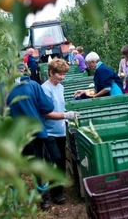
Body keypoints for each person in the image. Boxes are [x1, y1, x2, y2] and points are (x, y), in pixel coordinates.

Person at [6, 62, 79, 210]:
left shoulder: (2, 90)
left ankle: (16, 201)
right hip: (35, 133)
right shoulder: (34, 86)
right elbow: (47, 108)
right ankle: (44, 199)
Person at [41, 58, 69, 204]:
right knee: (55, 160)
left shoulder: (61, 87)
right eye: (60, 74)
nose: (62, 77)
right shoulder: (45, 89)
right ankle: (55, 192)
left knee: (61, 161)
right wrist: (64, 115)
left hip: (61, 130)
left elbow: (60, 106)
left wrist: (66, 115)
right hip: (49, 132)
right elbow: (46, 112)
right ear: (51, 72)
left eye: (64, 74)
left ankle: (59, 190)